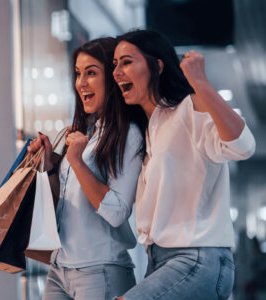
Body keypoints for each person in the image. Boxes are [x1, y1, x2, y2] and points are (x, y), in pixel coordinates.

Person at [112, 29, 256, 300]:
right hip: (158, 262)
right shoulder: (146, 131)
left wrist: (200, 81)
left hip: (198, 259)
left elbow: (244, 145)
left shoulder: (189, 109)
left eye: (127, 62)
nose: (117, 71)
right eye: (115, 64)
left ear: (157, 65)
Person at [28, 37, 147, 300]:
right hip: (60, 268)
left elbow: (116, 212)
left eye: (91, 73)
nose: (81, 82)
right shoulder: (84, 132)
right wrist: (48, 167)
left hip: (100, 271)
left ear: (113, 78)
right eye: (78, 74)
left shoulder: (129, 135)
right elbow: (66, 206)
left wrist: (78, 162)